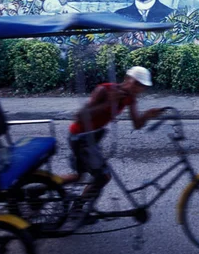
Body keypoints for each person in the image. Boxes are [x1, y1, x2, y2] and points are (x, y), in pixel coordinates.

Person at [62, 66, 164, 212]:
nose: (138, 89)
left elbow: (136, 124)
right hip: (81, 137)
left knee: (79, 176)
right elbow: (80, 116)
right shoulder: (104, 90)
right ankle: (78, 209)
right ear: (127, 79)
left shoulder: (130, 98)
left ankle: (41, 189)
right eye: (136, 83)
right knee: (103, 177)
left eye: (142, 86)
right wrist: (108, 104)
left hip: (93, 138)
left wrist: (148, 115)